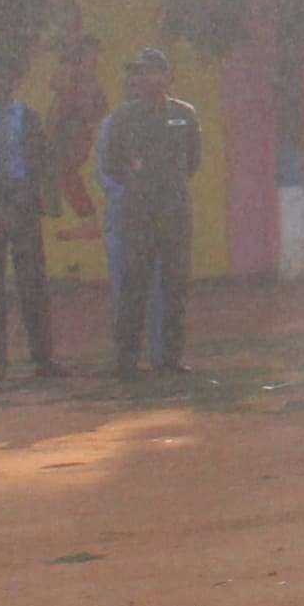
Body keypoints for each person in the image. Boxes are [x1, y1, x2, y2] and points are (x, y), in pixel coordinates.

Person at [96, 48, 203, 375]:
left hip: (173, 212)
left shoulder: (185, 115)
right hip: (138, 213)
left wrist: (164, 183)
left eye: (150, 72)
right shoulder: (123, 117)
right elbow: (112, 164)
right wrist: (139, 178)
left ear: (167, 76)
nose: (143, 79)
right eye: (139, 73)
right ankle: (125, 360)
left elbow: (193, 162)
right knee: (133, 287)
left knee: (174, 287)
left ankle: (169, 358)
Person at [0, 69, 60, 377]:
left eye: (6, 77)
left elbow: (42, 160)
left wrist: (34, 196)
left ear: (14, 81)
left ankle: (43, 358)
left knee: (33, 283)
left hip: (22, 204)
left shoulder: (29, 117)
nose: (1, 82)